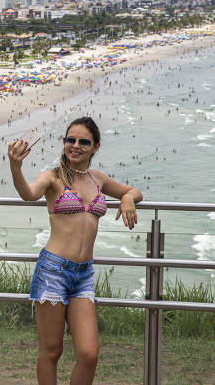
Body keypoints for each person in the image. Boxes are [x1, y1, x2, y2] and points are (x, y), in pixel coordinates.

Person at [8, 116, 142, 385]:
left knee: (89, 353)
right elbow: (28, 193)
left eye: (83, 141)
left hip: (83, 275)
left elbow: (135, 191)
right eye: (70, 140)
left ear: (96, 147)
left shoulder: (98, 179)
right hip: (52, 272)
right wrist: (15, 166)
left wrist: (127, 198)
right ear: (64, 143)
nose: (75, 145)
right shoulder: (52, 178)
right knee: (51, 350)